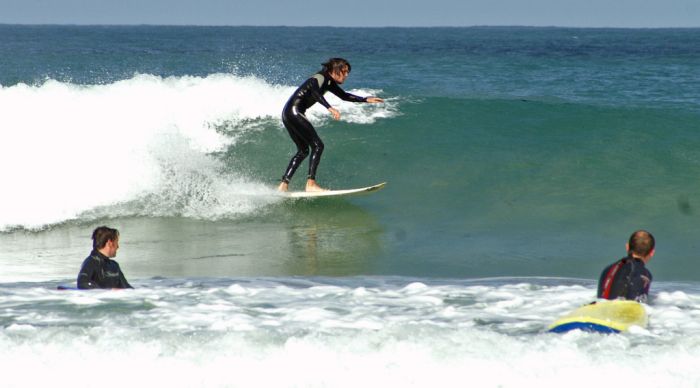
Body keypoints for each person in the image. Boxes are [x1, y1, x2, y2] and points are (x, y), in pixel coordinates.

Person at [277, 58, 384, 192]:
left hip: (288, 113)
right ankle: (311, 185)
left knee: (303, 151)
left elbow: (344, 96)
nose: (346, 75)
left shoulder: (328, 82)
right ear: (335, 70)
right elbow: (315, 93)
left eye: (347, 73)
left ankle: (283, 185)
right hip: (295, 112)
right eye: (344, 72)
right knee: (318, 145)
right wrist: (329, 107)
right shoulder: (320, 78)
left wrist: (365, 99)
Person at [597, 230, 654, 302]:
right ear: (652, 252)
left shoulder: (608, 269)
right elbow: (639, 305)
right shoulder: (645, 274)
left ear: (627, 247)